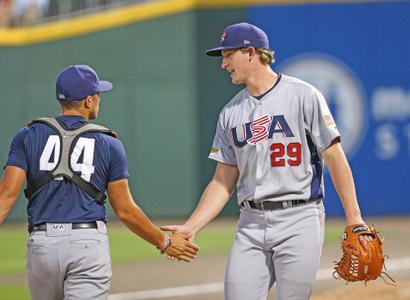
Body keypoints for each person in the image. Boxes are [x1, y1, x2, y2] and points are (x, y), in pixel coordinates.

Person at [161, 22, 366, 300]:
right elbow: (222, 180)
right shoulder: (230, 113)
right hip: (251, 222)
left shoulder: (303, 95)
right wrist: (192, 226)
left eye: (228, 55)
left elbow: (334, 156)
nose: (223, 64)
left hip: (300, 218)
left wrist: (354, 218)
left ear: (250, 52)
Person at [0, 64, 199, 300]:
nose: (99, 100)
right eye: (98, 95)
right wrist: (164, 242)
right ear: (88, 101)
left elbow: (5, 196)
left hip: (41, 244)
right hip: (87, 245)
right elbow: (125, 210)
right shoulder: (109, 143)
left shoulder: (27, 135)